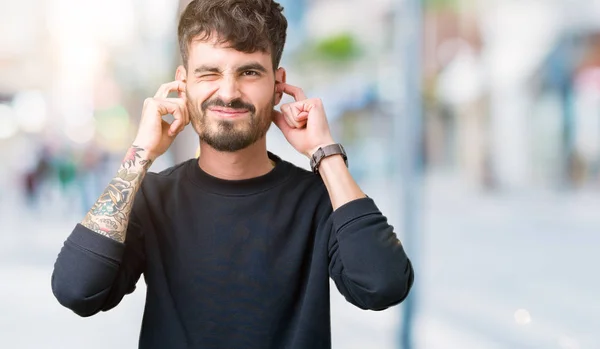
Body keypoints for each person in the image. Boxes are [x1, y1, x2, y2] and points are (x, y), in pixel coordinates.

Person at [51, 1, 414, 348]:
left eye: (250, 72)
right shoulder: (152, 199)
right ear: (183, 83)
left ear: (278, 85)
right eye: (209, 72)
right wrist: (140, 155)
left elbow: (383, 285)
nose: (228, 92)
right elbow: (76, 290)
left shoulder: (320, 198)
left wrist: (325, 153)